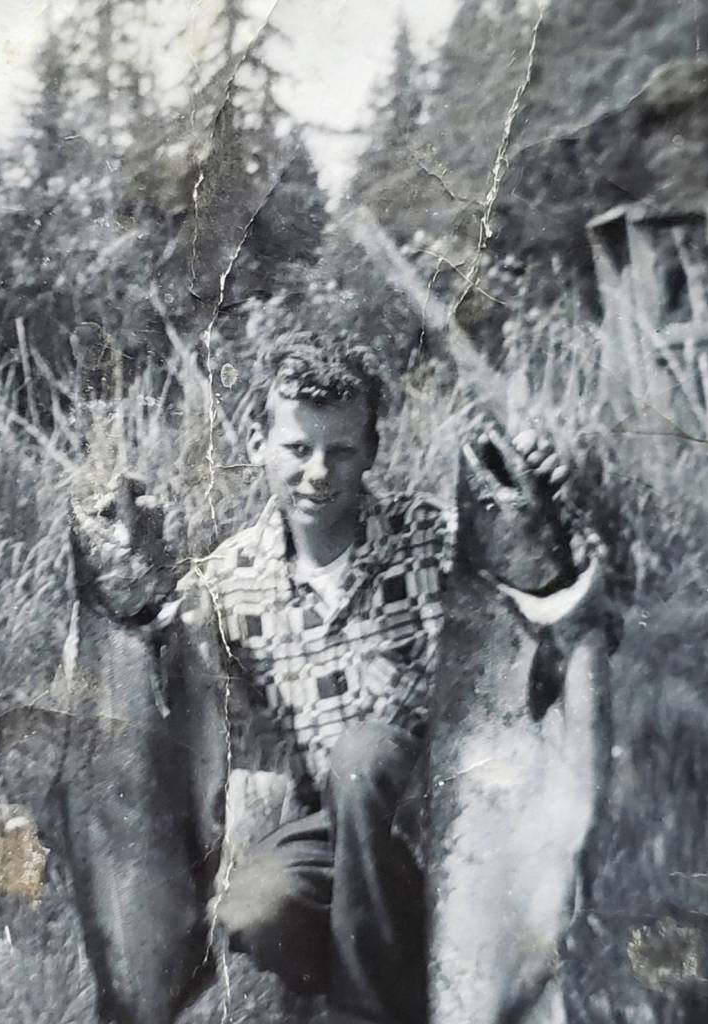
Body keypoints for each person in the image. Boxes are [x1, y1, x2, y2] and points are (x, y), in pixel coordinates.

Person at [76, 332, 588, 1024]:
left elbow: (550, 612)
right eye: (298, 448)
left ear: (372, 452)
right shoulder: (227, 583)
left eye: (341, 449)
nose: (318, 471)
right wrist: (139, 563)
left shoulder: (434, 539)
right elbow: (142, 690)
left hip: (447, 821)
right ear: (260, 444)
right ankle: (403, 991)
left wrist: (555, 505)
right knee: (257, 906)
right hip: (337, 840)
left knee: (365, 754)